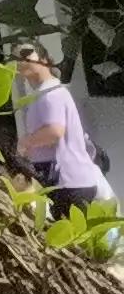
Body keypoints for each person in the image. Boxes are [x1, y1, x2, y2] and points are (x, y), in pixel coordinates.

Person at [11, 50, 112, 215]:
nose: (21, 61)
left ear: (44, 60)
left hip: (69, 182)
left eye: (26, 55)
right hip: (65, 182)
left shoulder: (52, 94)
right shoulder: (43, 95)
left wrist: (27, 141)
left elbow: (55, 132)